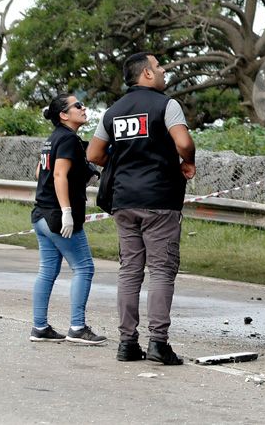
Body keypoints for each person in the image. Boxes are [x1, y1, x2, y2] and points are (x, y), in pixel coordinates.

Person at [87, 52, 195, 366]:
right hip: (160, 199)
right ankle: (159, 342)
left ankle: (127, 343)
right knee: (161, 271)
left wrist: (125, 165)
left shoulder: (113, 111)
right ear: (146, 74)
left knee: (130, 271)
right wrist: (187, 161)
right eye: (159, 67)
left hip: (123, 200)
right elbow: (184, 143)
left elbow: (94, 153)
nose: (163, 72)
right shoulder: (167, 105)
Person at [30, 93, 107, 345]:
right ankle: (77, 327)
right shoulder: (68, 139)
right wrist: (66, 212)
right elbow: (59, 176)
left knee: (47, 270)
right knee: (84, 268)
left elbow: (40, 171)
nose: (83, 108)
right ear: (64, 115)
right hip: (57, 216)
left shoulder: (51, 139)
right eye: (77, 106)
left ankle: (40, 327)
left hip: (40, 214)